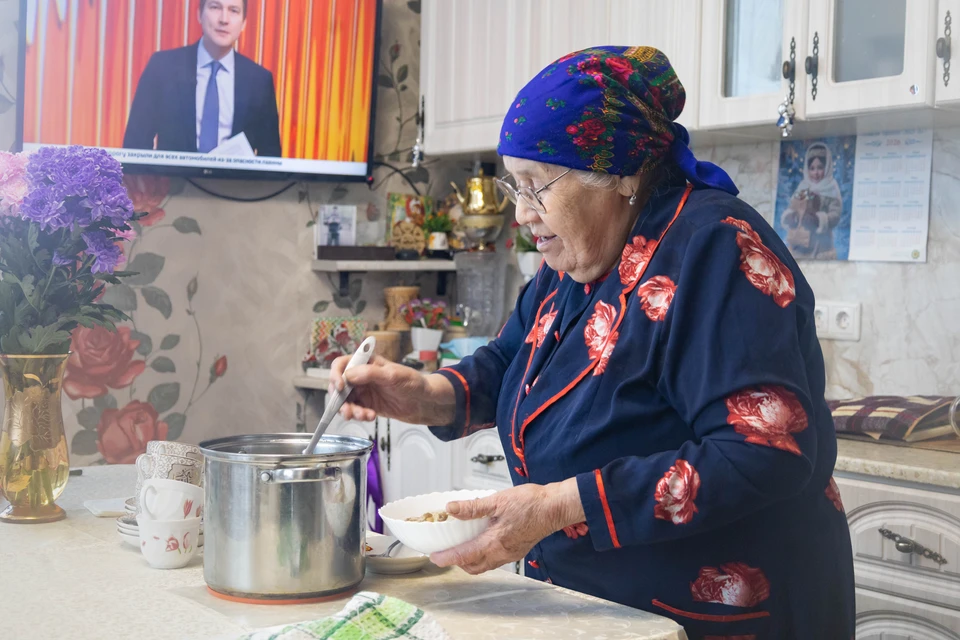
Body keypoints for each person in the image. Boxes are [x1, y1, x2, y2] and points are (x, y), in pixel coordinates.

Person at [332, 46, 855, 639]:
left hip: (717, 616)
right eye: (515, 186)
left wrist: (561, 505)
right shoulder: (573, 260)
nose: (521, 214)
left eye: (538, 186)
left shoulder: (716, 248)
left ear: (623, 174)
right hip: (602, 607)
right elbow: (511, 363)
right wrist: (423, 394)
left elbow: (765, 452)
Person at [122, 0, 282, 158]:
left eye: (233, 10)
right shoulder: (163, 67)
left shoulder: (260, 81)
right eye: (215, 7)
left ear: (244, 23)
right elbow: (135, 144)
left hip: (234, 176)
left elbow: (270, 154)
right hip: (172, 175)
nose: (224, 19)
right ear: (199, 14)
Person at [782, 142, 843, 259]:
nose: (816, 173)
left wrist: (819, 219)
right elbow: (793, 206)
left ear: (827, 167)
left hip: (822, 247)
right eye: (812, 168)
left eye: (820, 168)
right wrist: (791, 216)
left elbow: (835, 215)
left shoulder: (831, 188)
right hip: (800, 244)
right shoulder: (803, 187)